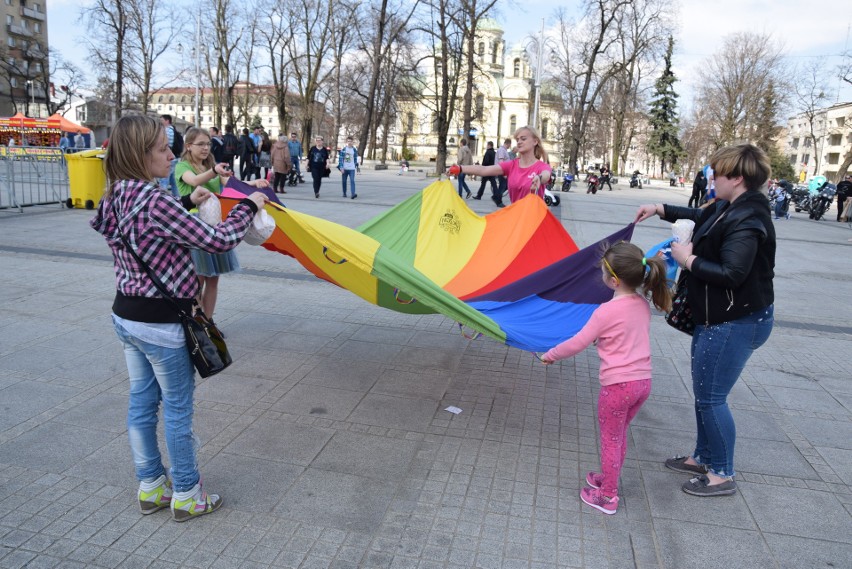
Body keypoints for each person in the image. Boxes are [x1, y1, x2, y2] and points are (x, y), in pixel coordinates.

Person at [90, 114, 267, 522]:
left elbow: (150, 222)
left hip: (126, 317)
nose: (170, 155)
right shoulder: (151, 200)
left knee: (140, 403)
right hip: (163, 326)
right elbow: (221, 239)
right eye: (160, 149)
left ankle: (151, 485)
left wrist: (189, 201)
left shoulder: (117, 193)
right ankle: (187, 493)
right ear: (138, 154)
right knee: (177, 410)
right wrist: (248, 205)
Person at [633, 143, 775, 497]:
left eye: (717, 174)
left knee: (712, 397)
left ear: (737, 178)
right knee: (704, 394)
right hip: (719, 317)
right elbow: (701, 217)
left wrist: (687, 260)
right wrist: (659, 208)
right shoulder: (730, 206)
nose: (711, 179)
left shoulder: (749, 218)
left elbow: (732, 273)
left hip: (735, 321)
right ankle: (702, 456)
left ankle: (722, 474)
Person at [541, 242, 672, 514]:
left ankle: (608, 495)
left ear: (613, 281)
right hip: (642, 383)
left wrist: (551, 354)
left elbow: (577, 342)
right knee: (619, 434)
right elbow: (625, 336)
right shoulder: (641, 305)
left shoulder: (604, 312)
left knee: (610, 439)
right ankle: (608, 478)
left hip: (618, 386)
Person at [176, 127, 270, 318]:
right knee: (197, 280)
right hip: (194, 226)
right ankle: (196, 321)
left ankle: (209, 322)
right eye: (200, 144)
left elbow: (231, 184)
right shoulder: (183, 166)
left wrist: (254, 183)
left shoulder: (211, 165)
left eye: (208, 144)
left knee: (213, 280)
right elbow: (194, 181)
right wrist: (213, 171)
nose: (205, 148)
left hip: (214, 224)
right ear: (188, 146)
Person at [448, 126, 551, 206]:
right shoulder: (512, 165)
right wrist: (460, 168)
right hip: (516, 220)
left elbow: (546, 175)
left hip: (535, 223)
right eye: (517, 139)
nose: (519, 142)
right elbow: (484, 170)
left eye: (523, 139)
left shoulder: (541, 167)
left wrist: (539, 177)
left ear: (535, 141)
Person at [159, 116, 179, 196]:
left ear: (167, 121)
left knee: (164, 180)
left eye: (162, 120)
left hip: (168, 159)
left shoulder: (166, 131)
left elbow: (166, 146)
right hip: (176, 158)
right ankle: (177, 197)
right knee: (173, 181)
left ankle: (162, 196)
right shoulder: (173, 130)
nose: (160, 121)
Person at [494, 138, 511, 207]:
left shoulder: (504, 150)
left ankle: (496, 196)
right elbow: (501, 162)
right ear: (508, 143)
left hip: (503, 171)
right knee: (502, 186)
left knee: (505, 186)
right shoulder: (501, 150)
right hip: (501, 171)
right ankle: (499, 202)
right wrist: (504, 173)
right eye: (510, 144)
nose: (510, 146)